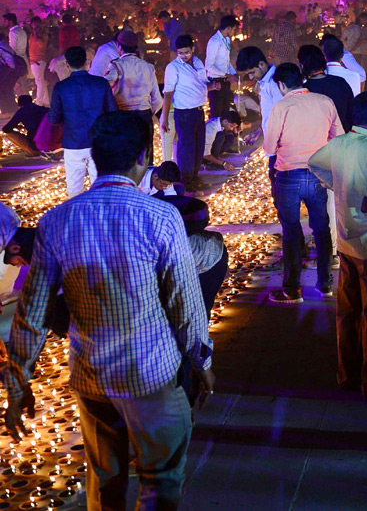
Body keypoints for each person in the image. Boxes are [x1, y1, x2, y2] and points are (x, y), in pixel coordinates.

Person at [2, 111, 214, 509]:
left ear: (96, 157)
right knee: (160, 479)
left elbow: (32, 314)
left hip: (92, 377)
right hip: (150, 375)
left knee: (104, 478)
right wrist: (201, 360)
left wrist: (18, 384)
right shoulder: (162, 216)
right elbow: (184, 302)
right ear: (142, 158)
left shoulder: (56, 221)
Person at [308, 91, 367, 399]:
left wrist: (338, 186)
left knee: (347, 311)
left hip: (347, 242)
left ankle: (347, 373)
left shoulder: (338, 144)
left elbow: (314, 163)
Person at [263, 62, 343, 303]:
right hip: (318, 173)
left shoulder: (282, 106)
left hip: (289, 174)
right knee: (321, 228)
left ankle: (293, 288)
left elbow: (269, 147)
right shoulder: (325, 101)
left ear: (281, 84)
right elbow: (337, 136)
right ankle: (325, 283)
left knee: (292, 231)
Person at [48, 45, 118, 197]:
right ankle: (99, 217)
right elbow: (113, 112)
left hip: (73, 141)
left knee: (74, 188)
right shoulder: (101, 83)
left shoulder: (61, 87)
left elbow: (53, 119)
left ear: (67, 64)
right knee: (100, 187)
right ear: (87, 62)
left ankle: (78, 218)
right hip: (98, 141)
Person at [163, 34, 210, 193]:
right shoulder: (173, 67)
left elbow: (200, 85)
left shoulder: (198, 62)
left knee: (198, 147)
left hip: (198, 111)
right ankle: (186, 183)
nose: (183, 56)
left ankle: (195, 179)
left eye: (186, 52)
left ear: (193, 49)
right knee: (186, 149)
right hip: (184, 114)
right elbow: (168, 93)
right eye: (180, 53)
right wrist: (164, 119)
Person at [106, 29, 163, 129]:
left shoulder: (116, 66)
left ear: (119, 47)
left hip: (124, 117)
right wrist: (148, 113)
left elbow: (105, 87)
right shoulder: (148, 67)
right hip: (144, 117)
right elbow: (158, 100)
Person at [299, 43, 355, 134]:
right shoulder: (340, 82)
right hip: (344, 138)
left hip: (318, 142)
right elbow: (352, 113)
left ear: (302, 66)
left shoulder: (305, 90)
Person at [234, 45, 284, 140]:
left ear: (261, 64)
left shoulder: (275, 83)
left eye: (252, 73)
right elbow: (269, 114)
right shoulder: (264, 82)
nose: (251, 78)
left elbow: (281, 117)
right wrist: (260, 130)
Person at [204, 14, 238, 120]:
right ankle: (216, 135)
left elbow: (226, 61)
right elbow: (208, 65)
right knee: (216, 114)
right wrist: (226, 74)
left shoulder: (226, 40)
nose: (234, 32)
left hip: (225, 82)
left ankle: (224, 134)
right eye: (233, 29)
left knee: (225, 113)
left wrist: (233, 73)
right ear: (228, 28)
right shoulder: (214, 41)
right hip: (215, 83)